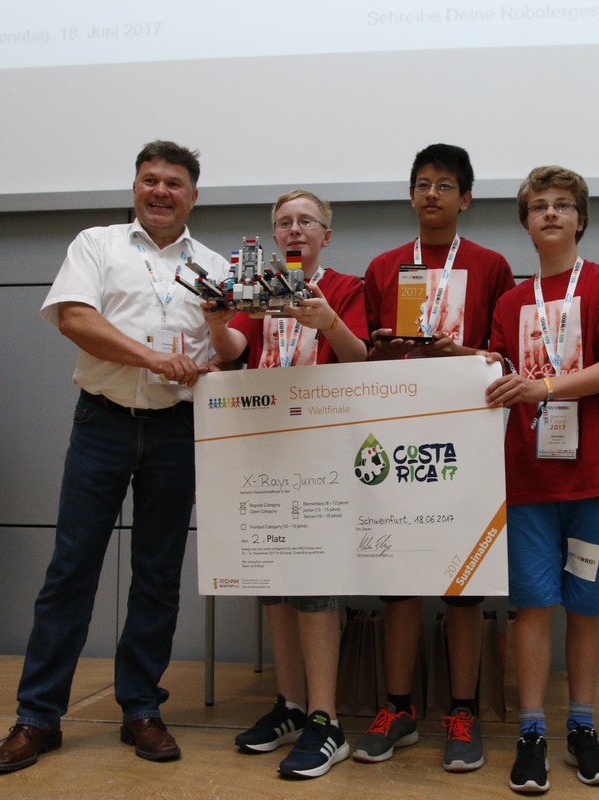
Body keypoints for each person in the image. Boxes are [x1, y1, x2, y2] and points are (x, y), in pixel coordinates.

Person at [0, 140, 230, 774]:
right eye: (150, 179)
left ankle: (141, 708)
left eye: (174, 183)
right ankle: (37, 717)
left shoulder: (215, 266)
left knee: (158, 574)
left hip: (177, 430)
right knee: (71, 568)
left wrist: (214, 357)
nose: (160, 191)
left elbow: (228, 348)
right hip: (103, 423)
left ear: (193, 196)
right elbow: (74, 318)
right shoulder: (97, 244)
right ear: (135, 187)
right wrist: (154, 359)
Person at [485, 166, 599, 793]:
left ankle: (582, 726)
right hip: (528, 480)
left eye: (562, 205)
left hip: (592, 478)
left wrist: (545, 387)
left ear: (581, 219)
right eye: (539, 207)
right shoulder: (511, 302)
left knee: (584, 601)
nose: (551, 213)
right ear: (526, 223)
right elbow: (498, 373)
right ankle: (531, 731)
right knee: (533, 604)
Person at [356, 143, 514, 773]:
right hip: (397, 436)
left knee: (463, 581)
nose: (431, 194)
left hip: (467, 439)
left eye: (444, 185)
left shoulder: (492, 265)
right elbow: (363, 358)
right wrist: (381, 347)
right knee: (398, 578)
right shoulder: (383, 266)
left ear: (466, 198)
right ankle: (397, 709)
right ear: (411, 195)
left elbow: (504, 356)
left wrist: (457, 352)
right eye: (422, 184)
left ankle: (463, 711)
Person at [213, 189, 369, 779]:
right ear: (273, 236)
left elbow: (361, 360)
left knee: (315, 584)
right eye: (284, 222)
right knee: (273, 583)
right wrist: (216, 324)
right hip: (262, 446)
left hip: (321, 449)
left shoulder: (346, 288)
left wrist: (328, 320)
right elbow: (234, 350)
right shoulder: (258, 289)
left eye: (306, 221)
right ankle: (292, 704)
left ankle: (327, 721)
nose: (295, 229)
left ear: (326, 233)